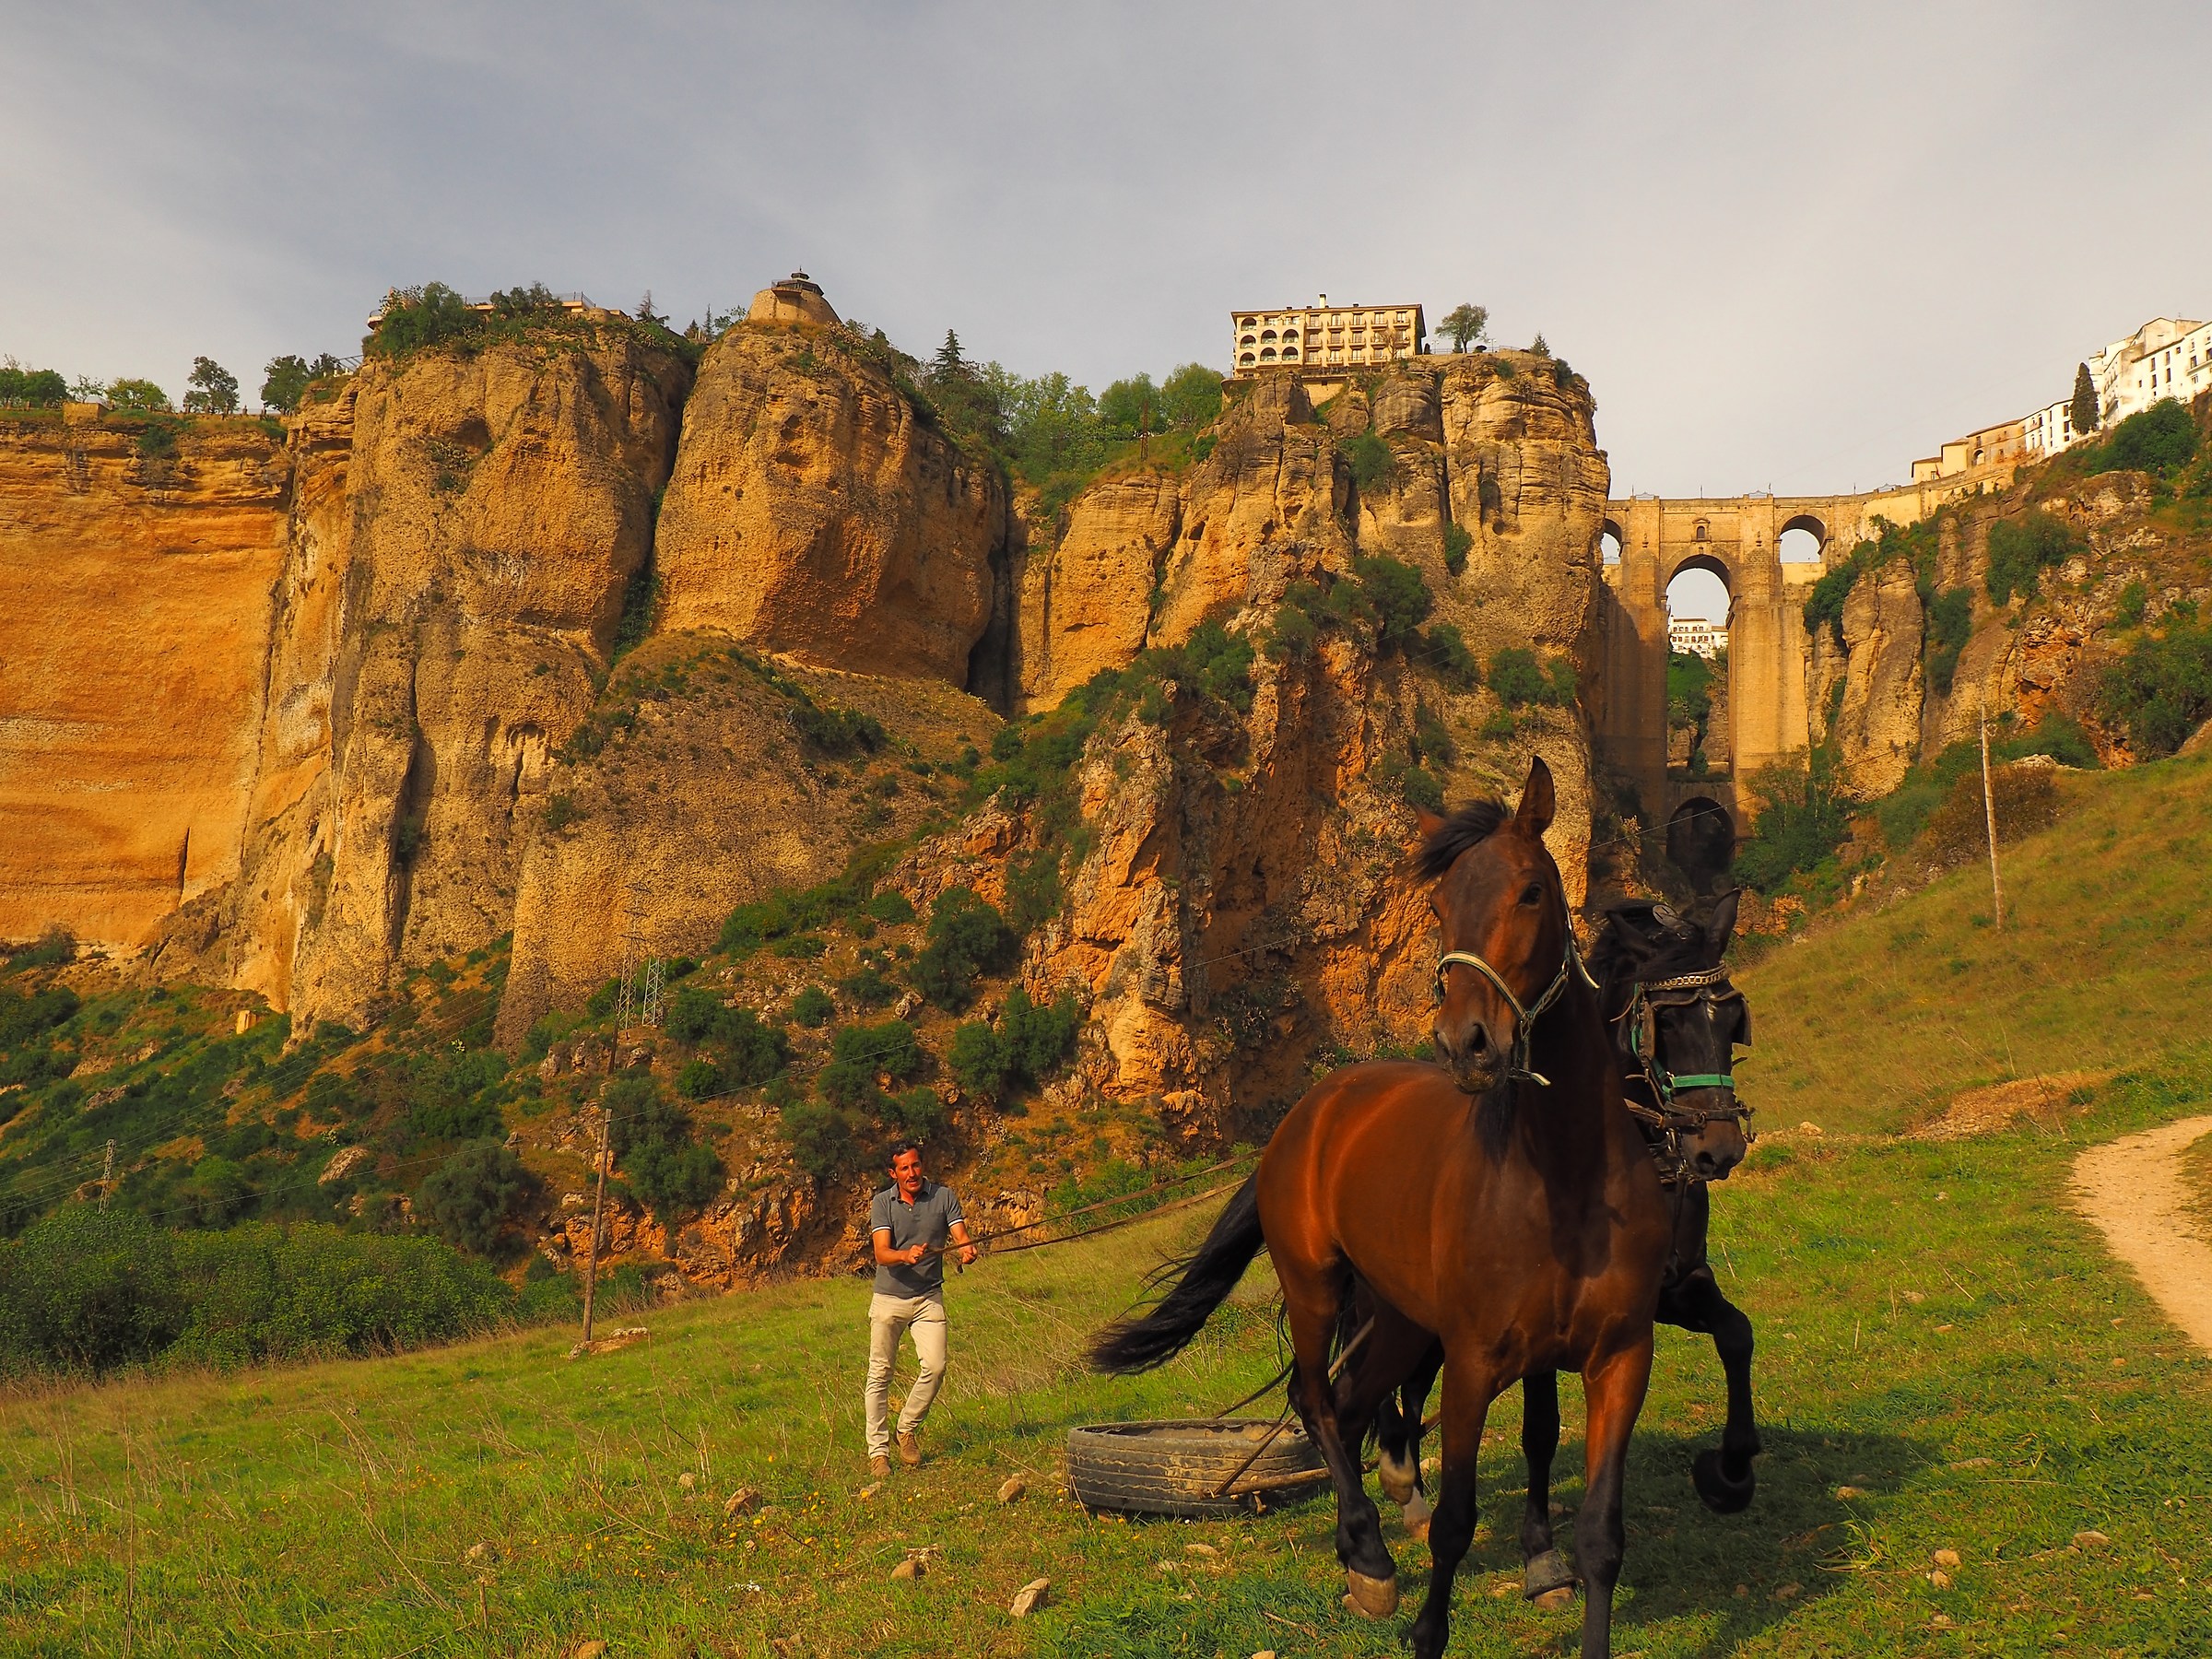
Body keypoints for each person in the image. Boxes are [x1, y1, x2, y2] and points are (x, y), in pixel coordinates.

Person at [864, 1143, 977, 1477]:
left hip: (929, 1296)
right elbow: (882, 1253)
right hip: (889, 1299)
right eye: (904, 1168)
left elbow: (960, 1234)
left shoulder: (943, 1196)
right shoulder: (882, 1203)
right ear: (892, 1173)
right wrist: (905, 1255)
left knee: (936, 1366)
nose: (912, 1173)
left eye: (915, 1166)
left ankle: (906, 1429)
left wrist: (966, 1249)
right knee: (880, 1374)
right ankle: (878, 1453)